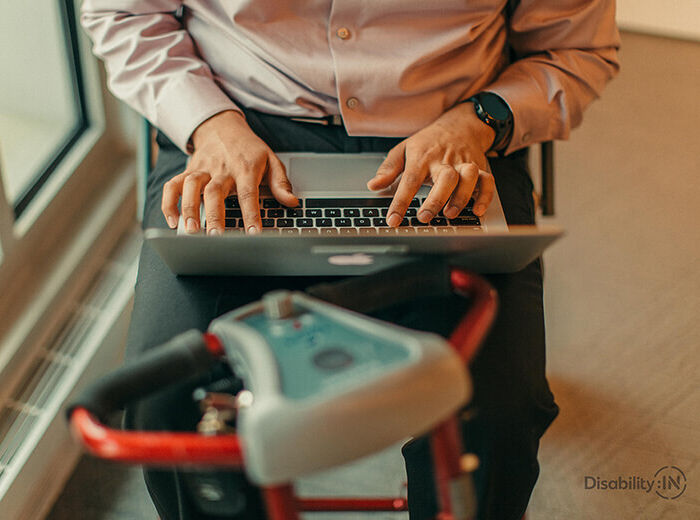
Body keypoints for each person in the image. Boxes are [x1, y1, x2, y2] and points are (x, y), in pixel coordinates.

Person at [80, 2, 620, 519]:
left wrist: (479, 120)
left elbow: (577, 49)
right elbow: (124, 13)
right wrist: (208, 123)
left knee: (499, 413)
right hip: (236, 123)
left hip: (452, 134)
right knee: (170, 408)